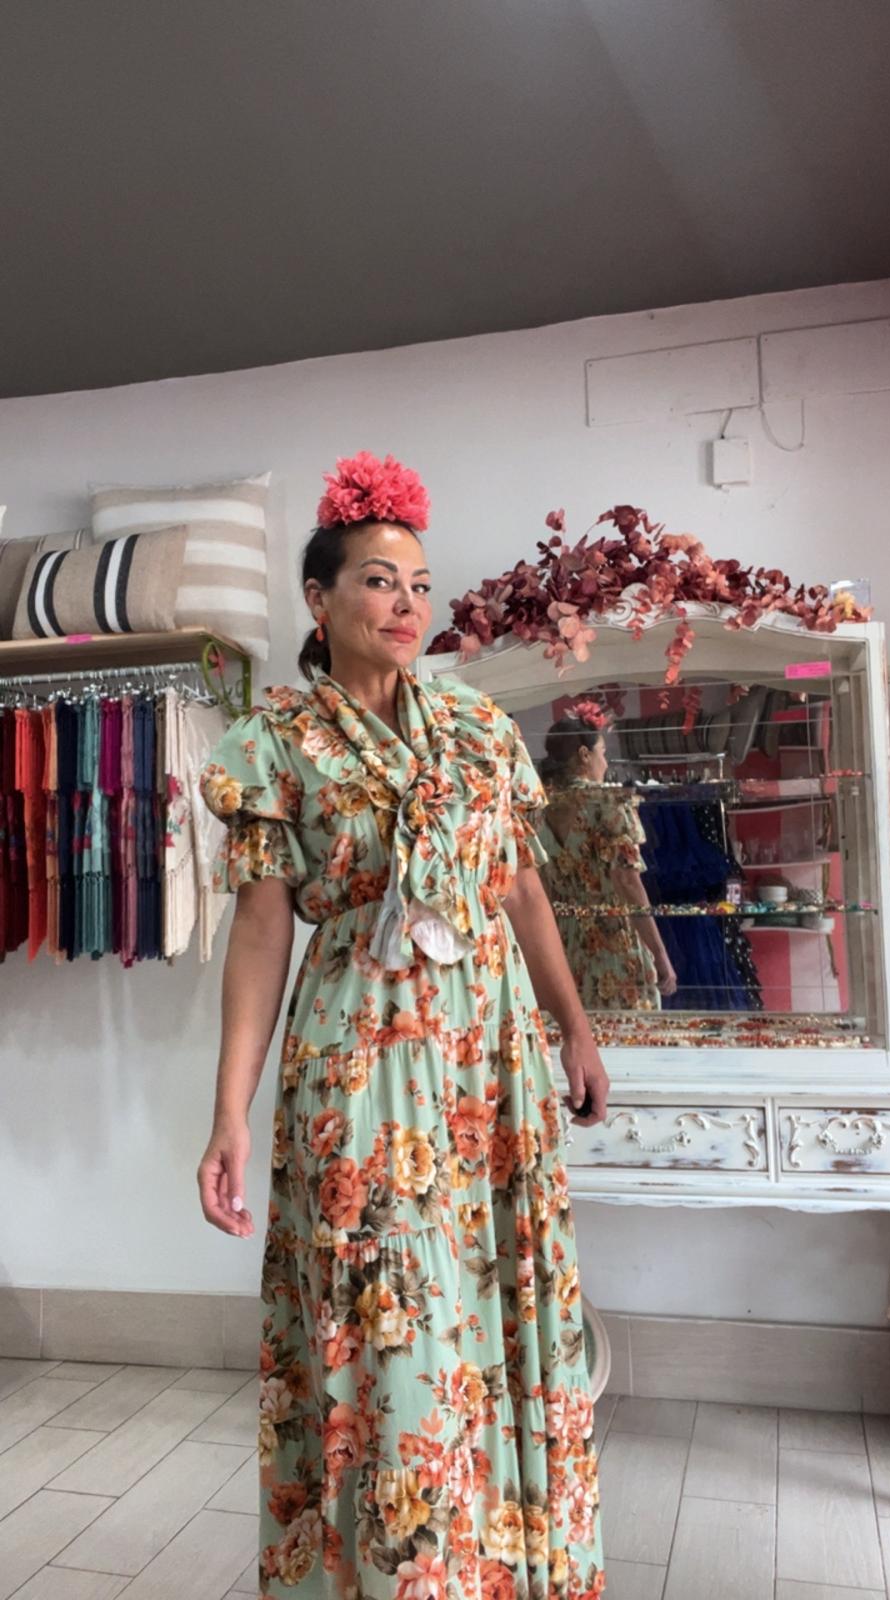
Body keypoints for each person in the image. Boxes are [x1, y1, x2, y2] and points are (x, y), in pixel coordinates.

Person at [196, 452, 609, 1599]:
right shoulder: (276, 741)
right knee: (387, 1323)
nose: (406, 604)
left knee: (491, 1305)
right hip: (360, 1064)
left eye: (420, 585)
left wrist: (574, 1026)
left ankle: (494, 1568)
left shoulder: (478, 727)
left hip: (488, 1057)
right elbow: (261, 935)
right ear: (319, 600)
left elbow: (522, 890)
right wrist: (229, 1111)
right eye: (379, 580)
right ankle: (392, 1579)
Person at [538, 713, 678, 1012]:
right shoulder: (608, 802)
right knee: (629, 1032)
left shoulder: (540, 809)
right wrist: (660, 953)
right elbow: (627, 880)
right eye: (603, 753)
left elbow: (542, 890)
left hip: (568, 945)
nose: (605, 762)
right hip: (614, 942)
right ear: (584, 754)